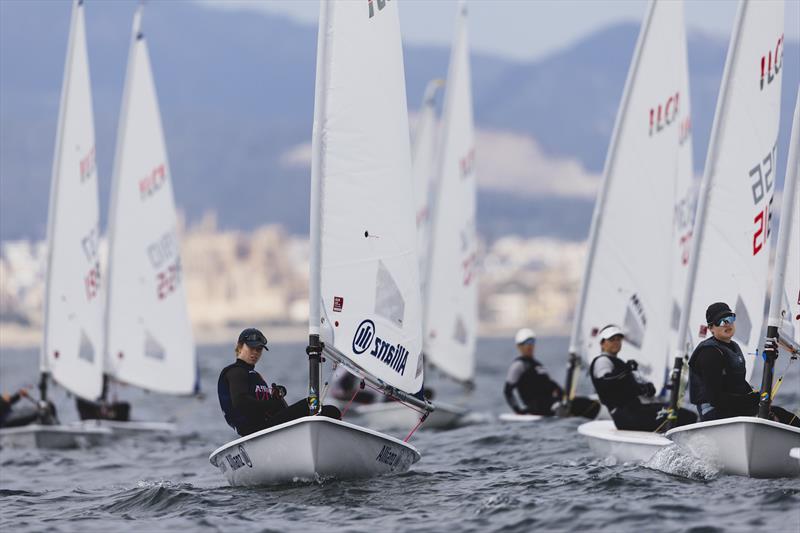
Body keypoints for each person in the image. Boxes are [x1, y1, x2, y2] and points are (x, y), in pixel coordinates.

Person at [688, 302, 799, 427]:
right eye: (721, 321)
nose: (728, 324)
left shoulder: (733, 347)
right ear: (711, 328)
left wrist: (758, 396)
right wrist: (754, 400)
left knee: (787, 417)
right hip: (714, 414)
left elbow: (738, 384)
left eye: (730, 318)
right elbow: (715, 399)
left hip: (733, 409)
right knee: (774, 415)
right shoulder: (709, 353)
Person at [217, 327, 341, 436]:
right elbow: (240, 402)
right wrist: (271, 404)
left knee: (331, 411)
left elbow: (267, 407)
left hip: (265, 427)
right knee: (311, 403)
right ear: (239, 346)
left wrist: (277, 398)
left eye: (259, 349)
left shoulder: (254, 375)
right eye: (251, 347)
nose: (255, 352)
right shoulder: (235, 371)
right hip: (253, 430)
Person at [590, 324, 696, 431]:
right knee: (685, 415)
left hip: (633, 413)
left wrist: (644, 389)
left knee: (678, 412)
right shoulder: (602, 361)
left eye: (619, 339)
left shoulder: (617, 362)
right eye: (612, 339)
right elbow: (606, 381)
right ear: (602, 343)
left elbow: (623, 387)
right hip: (627, 416)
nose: (616, 342)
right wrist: (626, 369)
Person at [504, 329, 599, 418]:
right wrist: (518, 411)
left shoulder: (537, 365)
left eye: (531, 342)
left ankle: (599, 413)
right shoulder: (518, 365)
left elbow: (551, 384)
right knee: (566, 407)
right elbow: (508, 391)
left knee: (584, 403)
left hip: (551, 402)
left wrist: (564, 395)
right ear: (519, 346)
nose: (529, 346)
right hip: (537, 407)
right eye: (525, 343)